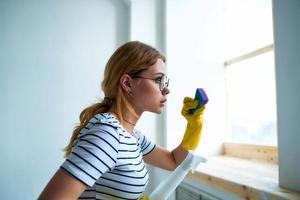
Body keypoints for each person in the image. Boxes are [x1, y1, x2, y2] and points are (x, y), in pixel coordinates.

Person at [38, 41, 205, 200]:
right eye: (158, 80)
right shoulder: (107, 135)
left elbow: (173, 161)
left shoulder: (132, 136)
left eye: (165, 81)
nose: (166, 89)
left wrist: (193, 126)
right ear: (127, 83)